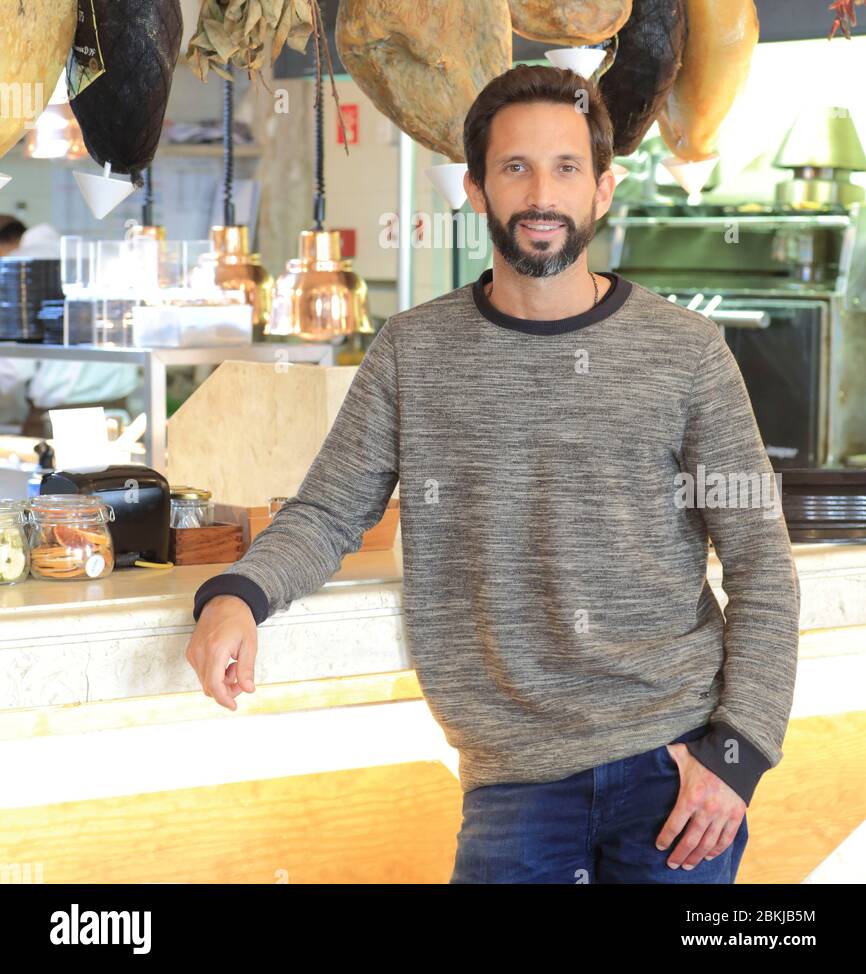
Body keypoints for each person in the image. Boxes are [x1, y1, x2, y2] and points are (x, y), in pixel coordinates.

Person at [186, 65, 801, 885]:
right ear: (475, 190)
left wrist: (738, 754)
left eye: (566, 168)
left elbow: (762, 560)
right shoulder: (414, 351)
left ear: (604, 190)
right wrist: (237, 593)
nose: (541, 193)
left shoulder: (687, 352)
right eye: (515, 168)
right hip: (512, 782)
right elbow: (330, 510)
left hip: (673, 769)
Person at [0, 216, 141, 436]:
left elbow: (14, 370)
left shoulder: (17, 267)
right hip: (119, 412)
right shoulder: (87, 254)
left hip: (63, 420)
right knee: (119, 470)